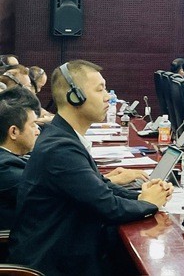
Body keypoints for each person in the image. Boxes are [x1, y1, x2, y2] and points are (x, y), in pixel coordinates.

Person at [8, 60, 172, 275]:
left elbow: (101, 187)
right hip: (53, 263)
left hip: (68, 251)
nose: (108, 97)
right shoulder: (60, 149)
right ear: (75, 96)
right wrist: (149, 203)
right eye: (100, 89)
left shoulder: (63, 137)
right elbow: (109, 207)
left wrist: (142, 193)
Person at [0, 87, 41, 228]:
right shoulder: (5, 169)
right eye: (33, 125)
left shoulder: (11, 158)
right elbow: (51, 195)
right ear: (14, 131)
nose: (37, 131)